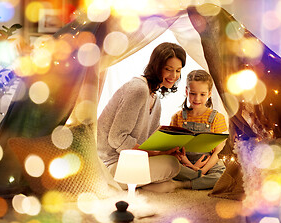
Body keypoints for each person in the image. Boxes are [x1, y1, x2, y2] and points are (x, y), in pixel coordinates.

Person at [97, 42, 186, 193]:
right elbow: (117, 138)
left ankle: (139, 184)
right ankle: (131, 183)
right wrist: (159, 154)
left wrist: (168, 148)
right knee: (172, 165)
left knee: (171, 176)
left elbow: (147, 142)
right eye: (168, 69)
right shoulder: (138, 89)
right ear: (156, 67)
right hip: (110, 164)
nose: (174, 76)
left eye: (178, 70)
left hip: (129, 161)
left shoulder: (155, 99)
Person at [170, 69, 228, 190]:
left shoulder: (217, 118)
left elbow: (218, 152)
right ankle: (198, 179)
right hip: (184, 162)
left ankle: (185, 184)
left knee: (222, 175)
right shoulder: (177, 117)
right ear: (186, 91)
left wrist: (202, 170)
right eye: (193, 93)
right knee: (168, 166)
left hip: (208, 162)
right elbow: (175, 148)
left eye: (202, 94)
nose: (197, 98)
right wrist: (192, 166)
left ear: (209, 93)